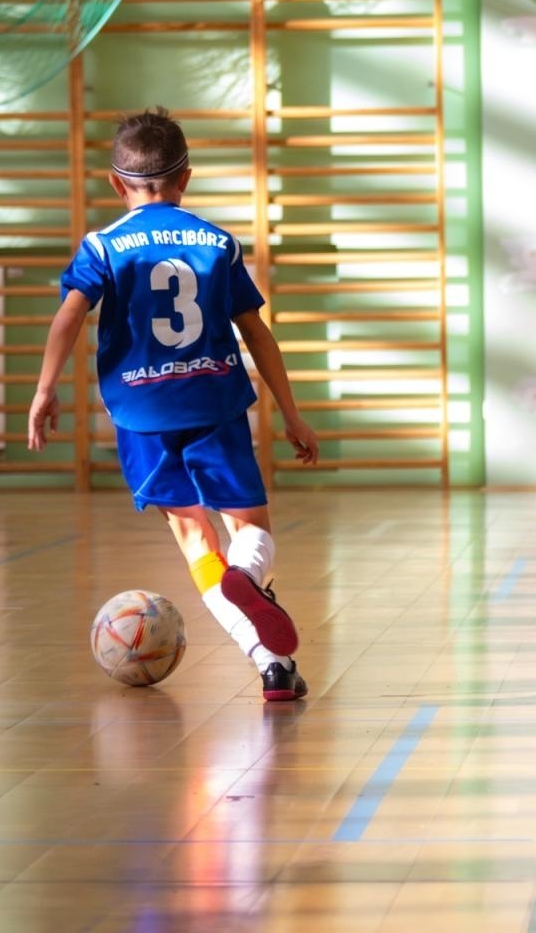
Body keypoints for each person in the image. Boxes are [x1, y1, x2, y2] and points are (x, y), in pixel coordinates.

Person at [28, 107, 321, 702]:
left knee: (196, 543)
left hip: (143, 416)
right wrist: (291, 412)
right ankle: (252, 593)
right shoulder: (217, 243)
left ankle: (271, 664)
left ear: (116, 183)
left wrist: (44, 388)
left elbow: (69, 316)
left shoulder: (104, 245)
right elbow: (257, 333)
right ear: (186, 177)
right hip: (215, 402)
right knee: (250, 532)